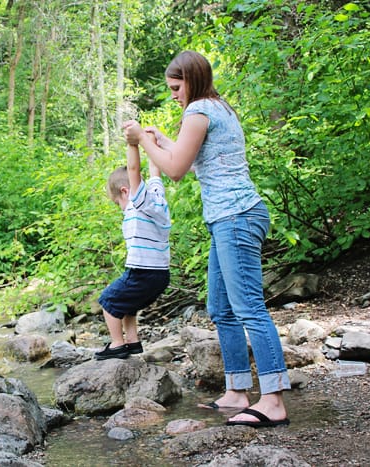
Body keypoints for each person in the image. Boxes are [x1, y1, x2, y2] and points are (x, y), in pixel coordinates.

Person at [123, 50, 290, 427]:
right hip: (227, 219)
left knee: (248, 307)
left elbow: (177, 169)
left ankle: (274, 401)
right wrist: (162, 139)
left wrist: (141, 140)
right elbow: (194, 155)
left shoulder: (198, 111)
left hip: (236, 217)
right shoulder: (217, 107)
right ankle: (236, 391)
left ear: (192, 81)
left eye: (175, 87)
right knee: (221, 308)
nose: (173, 95)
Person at [94, 143, 171, 360]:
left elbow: (134, 170)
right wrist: (153, 147)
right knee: (129, 305)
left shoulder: (138, 201)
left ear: (125, 192)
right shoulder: (157, 197)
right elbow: (155, 172)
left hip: (142, 271)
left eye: (117, 201)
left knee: (108, 301)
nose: (119, 206)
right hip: (161, 274)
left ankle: (117, 344)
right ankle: (133, 341)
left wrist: (133, 143)